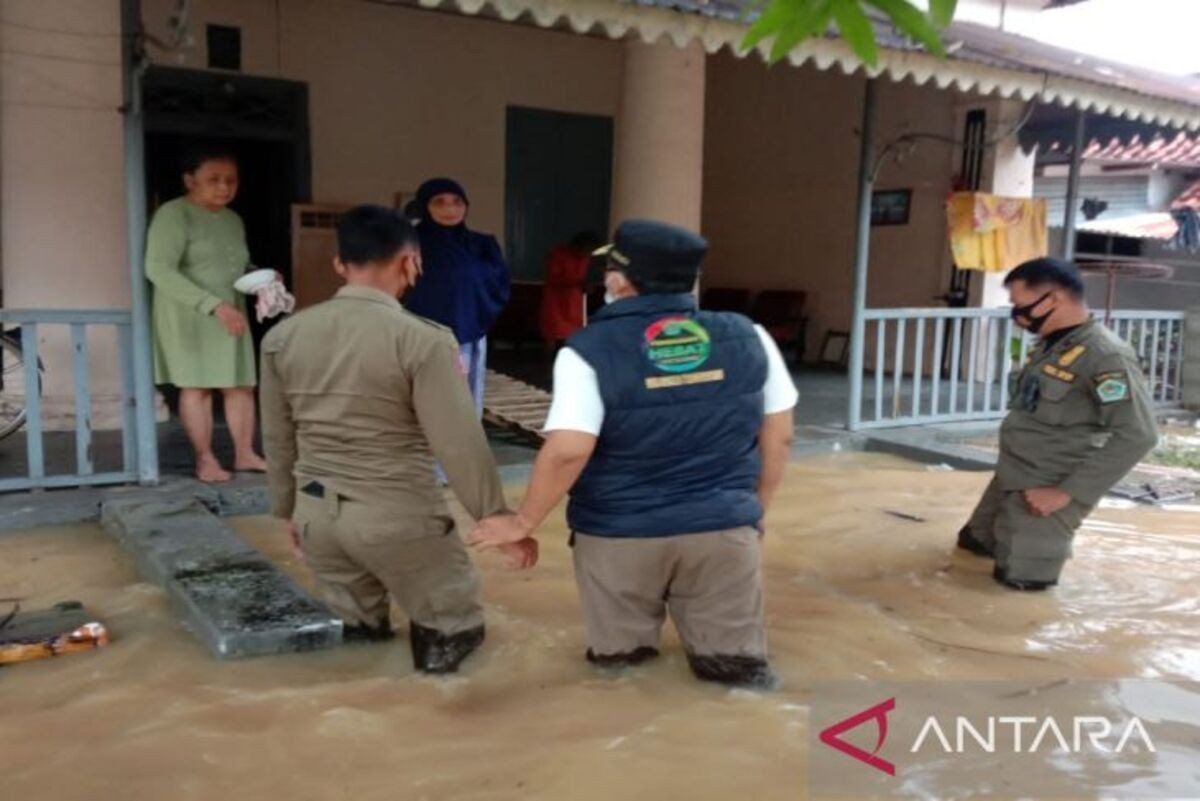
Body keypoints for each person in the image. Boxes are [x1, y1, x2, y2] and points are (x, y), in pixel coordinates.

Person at [469, 219, 798, 689]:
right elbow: (780, 435)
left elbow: (568, 451)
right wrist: (751, 514)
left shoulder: (588, 350)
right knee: (736, 679)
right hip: (723, 531)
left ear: (620, 281)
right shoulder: (750, 336)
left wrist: (521, 524)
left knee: (622, 676)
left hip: (619, 537)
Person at [259, 205, 535, 674]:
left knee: (357, 647)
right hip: (400, 517)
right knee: (452, 642)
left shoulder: (284, 337)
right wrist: (498, 519)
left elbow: (278, 436)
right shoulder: (423, 340)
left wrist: (289, 510)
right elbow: (458, 443)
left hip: (318, 518)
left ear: (340, 265)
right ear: (411, 263)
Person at [956, 258, 1158, 591]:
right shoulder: (1056, 343)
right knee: (973, 545)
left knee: (1018, 589)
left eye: (1020, 305)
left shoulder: (1105, 356)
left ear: (1053, 299)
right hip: (1014, 473)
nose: (1016, 314)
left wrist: (1065, 493)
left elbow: (1139, 435)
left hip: (1047, 488)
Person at [145, 145, 267, 483]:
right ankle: (205, 459)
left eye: (231, 180)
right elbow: (158, 269)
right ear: (190, 180)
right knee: (197, 387)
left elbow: (237, 265)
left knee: (241, 385)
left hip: (231, 312)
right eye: (213, 179)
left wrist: (264, 278)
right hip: (191, 315)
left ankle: (245, 453)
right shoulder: (173, 214)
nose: (224, 187)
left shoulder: (232, 219)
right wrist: (212, 305)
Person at [402, 178, 510, 416]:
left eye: (457, 202)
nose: (450, 209)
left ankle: (462, 451)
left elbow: (498, 284)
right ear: (424, 207)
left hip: (468, 334)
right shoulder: (409, 244)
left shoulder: (482, 245)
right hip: (421, 339)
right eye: (439, 202)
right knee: (425, 404)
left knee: (465, 402)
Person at [539, 231, 599, 349]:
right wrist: (578, 282)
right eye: (587, 250)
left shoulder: (586, 257)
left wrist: (587, 286)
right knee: (553, 333)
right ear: (579, 246)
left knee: (574, 333)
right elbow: (553, 278)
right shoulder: (558, 254)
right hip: (556, 301)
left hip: (574, 300)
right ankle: (548, 364)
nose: (589, 253)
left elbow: (583, 277)